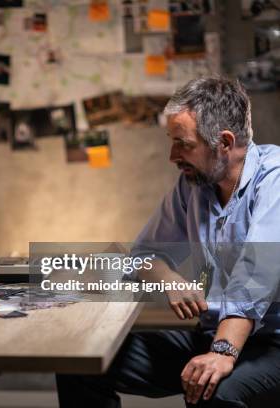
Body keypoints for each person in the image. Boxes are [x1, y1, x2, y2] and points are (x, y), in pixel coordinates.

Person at [56, 77, 280, 407]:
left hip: (271, 343)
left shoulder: (274, 179)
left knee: (212, 391)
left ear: (224, 142)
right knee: (79, 363)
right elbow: (144, 254)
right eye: (171, 141)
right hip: (210, 333)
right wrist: (170, 279)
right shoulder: (193, 185)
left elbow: (254, 278)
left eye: (183, 144)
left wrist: (222, 352)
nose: (172, 155)